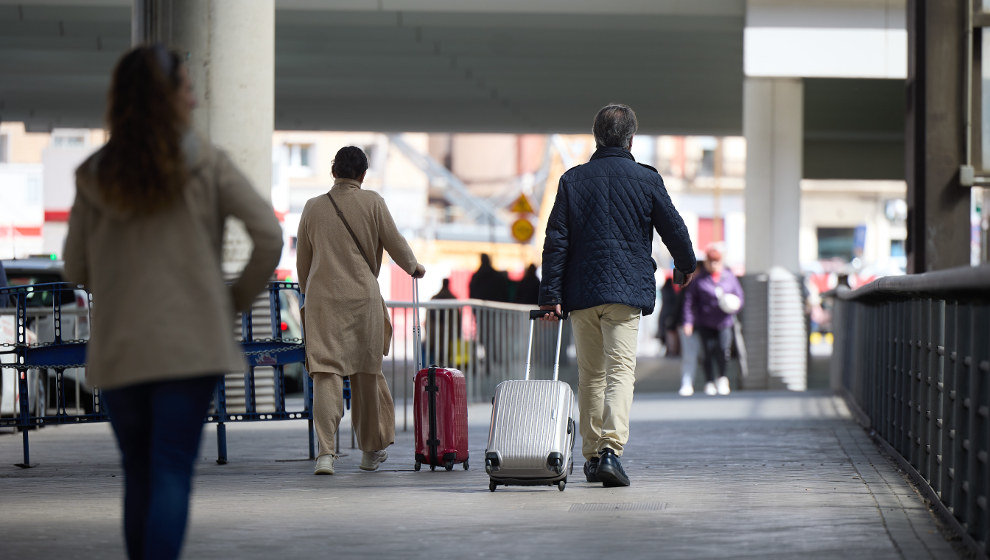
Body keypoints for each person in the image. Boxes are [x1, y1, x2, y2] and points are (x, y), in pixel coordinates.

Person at [63, 44, 283, 560]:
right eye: (187, 87)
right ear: (168, 97)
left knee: (138, 474)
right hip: (190, 346)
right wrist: (231, 301)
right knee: (170, 469)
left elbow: (74, 268)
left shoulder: (95, 173)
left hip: (121, 347)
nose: (195, 99)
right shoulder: (207, 162)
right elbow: (267, 236)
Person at [538, 103, 697, 488]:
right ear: (631, 139)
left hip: (582, 292)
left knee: (590, 374)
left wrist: (550, 295)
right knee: (621, 372)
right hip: (625, 291)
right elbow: (672, 226)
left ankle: (593, 457)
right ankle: (611, 451)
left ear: (596, 137)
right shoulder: (646, 179)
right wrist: (685, 264)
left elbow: (556, 241)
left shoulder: (573, 180)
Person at [296, 145, 425, 476]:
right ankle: (370, 453)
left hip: (322, 301)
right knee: (366, 374)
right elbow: (396, 244)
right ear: (363, 175)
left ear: (333, 171)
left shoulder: (312, 208)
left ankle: (326, 454)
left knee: (326, 373)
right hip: (362, 300)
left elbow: (303, 264)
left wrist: (308, 294)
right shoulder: (373, 203)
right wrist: (414, 267)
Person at [682, 244, 744, 396]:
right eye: (711, 261)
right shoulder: (699, 280)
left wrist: (734, 305)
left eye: (717, 261)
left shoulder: (729, 277)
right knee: (708, 352)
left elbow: (740, 297)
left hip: (725, 322)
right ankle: (709, 381)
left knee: (724, 350)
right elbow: (690, 302)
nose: (714, 264)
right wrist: (688, 321)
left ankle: (722, 377)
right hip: (705, 322)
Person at [426, 278, 465, 367]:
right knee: (448, 351)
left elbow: (429, 318)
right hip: (450, 331)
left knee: (437, 351)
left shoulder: (434, 298)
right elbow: (458, 318)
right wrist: (458, 332)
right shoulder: (453, 299)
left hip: (436, 331)